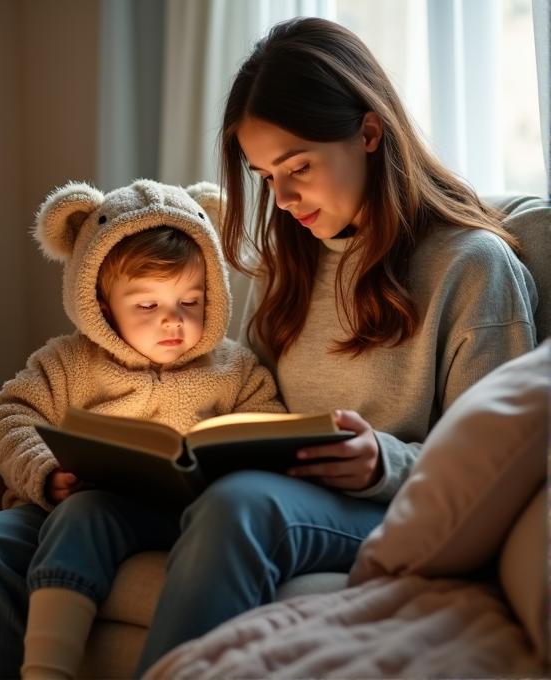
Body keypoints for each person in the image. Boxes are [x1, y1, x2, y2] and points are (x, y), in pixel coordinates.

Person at [132, 16, 538, 677]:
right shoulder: (288, 268)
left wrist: (382, 461)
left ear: (369, 132)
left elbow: (498, 469)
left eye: (297, 167)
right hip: (278, 487)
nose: (284, 197)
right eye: (266, 176)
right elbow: (250, 399)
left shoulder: (473, 267)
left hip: (385, 508)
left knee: (241, 508)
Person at [0, 178, 285, 680]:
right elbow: (7, 413)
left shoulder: (234, 368)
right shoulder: (70, 362)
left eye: (191, 301)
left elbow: (268, 425)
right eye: (147, 306)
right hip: (75, 500)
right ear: (101, 304)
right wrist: (46, 470)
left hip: (181, 514)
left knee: (90, 513)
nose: (173, 322)